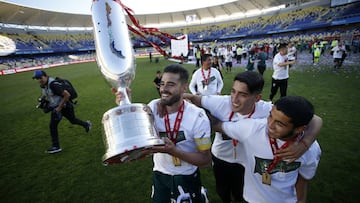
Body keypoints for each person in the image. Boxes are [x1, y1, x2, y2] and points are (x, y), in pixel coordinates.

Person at [184, 71, 322, 203]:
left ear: (257, 98)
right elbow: (192, 99)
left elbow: (314, 119)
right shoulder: (221, 103)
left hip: (247, 160)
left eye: (242, 94)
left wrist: (305, 143)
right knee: (222, 190)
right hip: (222, 156)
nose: (234, 99)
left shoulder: (268, 110)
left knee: (241, 190)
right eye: (233, 91)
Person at [115, 64, 212, 203]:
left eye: (171, 84)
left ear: (184, 88)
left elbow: (206, 160)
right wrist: (125, 104)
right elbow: (136, 135)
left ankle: (201, 194)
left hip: (187, 175)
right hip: (161, 174)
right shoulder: (153, 107)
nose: (164, 89)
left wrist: (174, 151)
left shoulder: (198, 116)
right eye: (162, 84)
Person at [211, 96, 322, 203]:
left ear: (299, 129)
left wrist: (301, 200)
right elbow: (218, 125)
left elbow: (303, 177)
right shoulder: (252, 129)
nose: (270, 125)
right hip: (252, 199)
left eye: (279, 123)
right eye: (270, 116)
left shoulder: (311, 149)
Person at [33, 70, 91, 154]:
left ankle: (56, 146)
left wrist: (59, 108)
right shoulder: (44, 85)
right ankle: (87, 124)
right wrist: (43, 100)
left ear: (45, 76)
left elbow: (67, 95)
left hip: (63, 106)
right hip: (61, 106)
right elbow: (50, 95)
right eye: (37, 78)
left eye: (40, 78)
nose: (39, 80)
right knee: (73, 120)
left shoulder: (53, 84)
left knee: (53, 126)